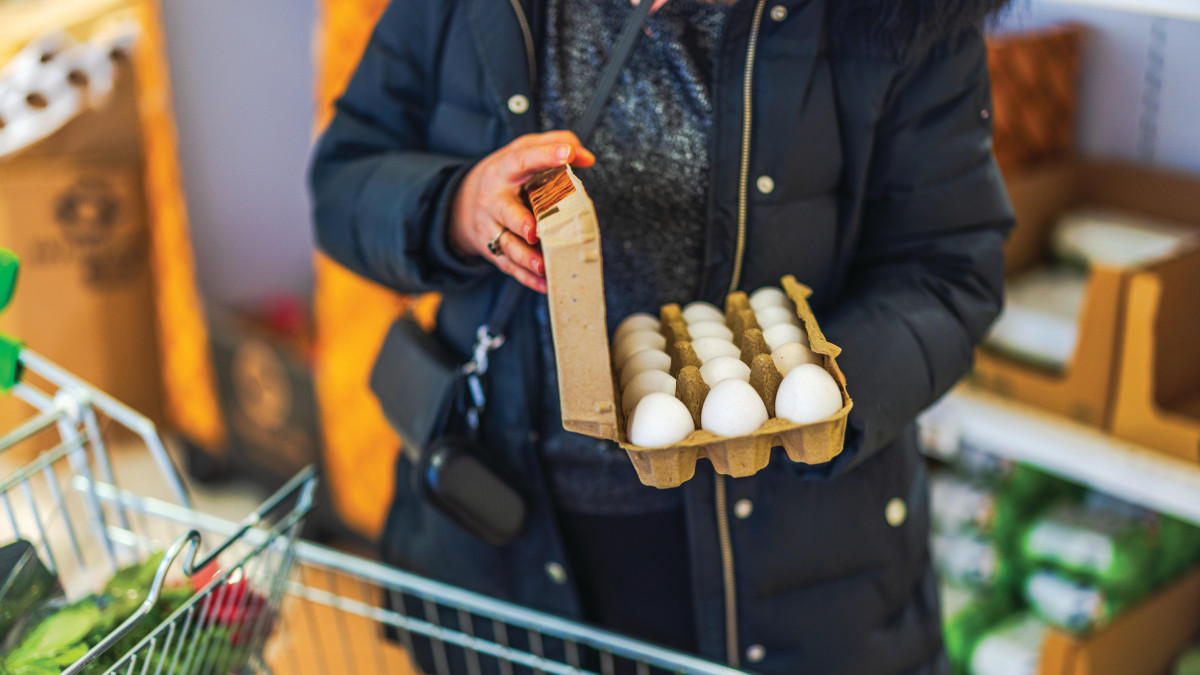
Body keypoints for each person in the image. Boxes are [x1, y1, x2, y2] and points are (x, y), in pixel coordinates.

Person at [310, 0, 1013, 672]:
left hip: (786, 563)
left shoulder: (900, 19)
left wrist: (808, 394)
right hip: (503, 541)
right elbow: (347, 178)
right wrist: (456, 207)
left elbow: (948, 269)